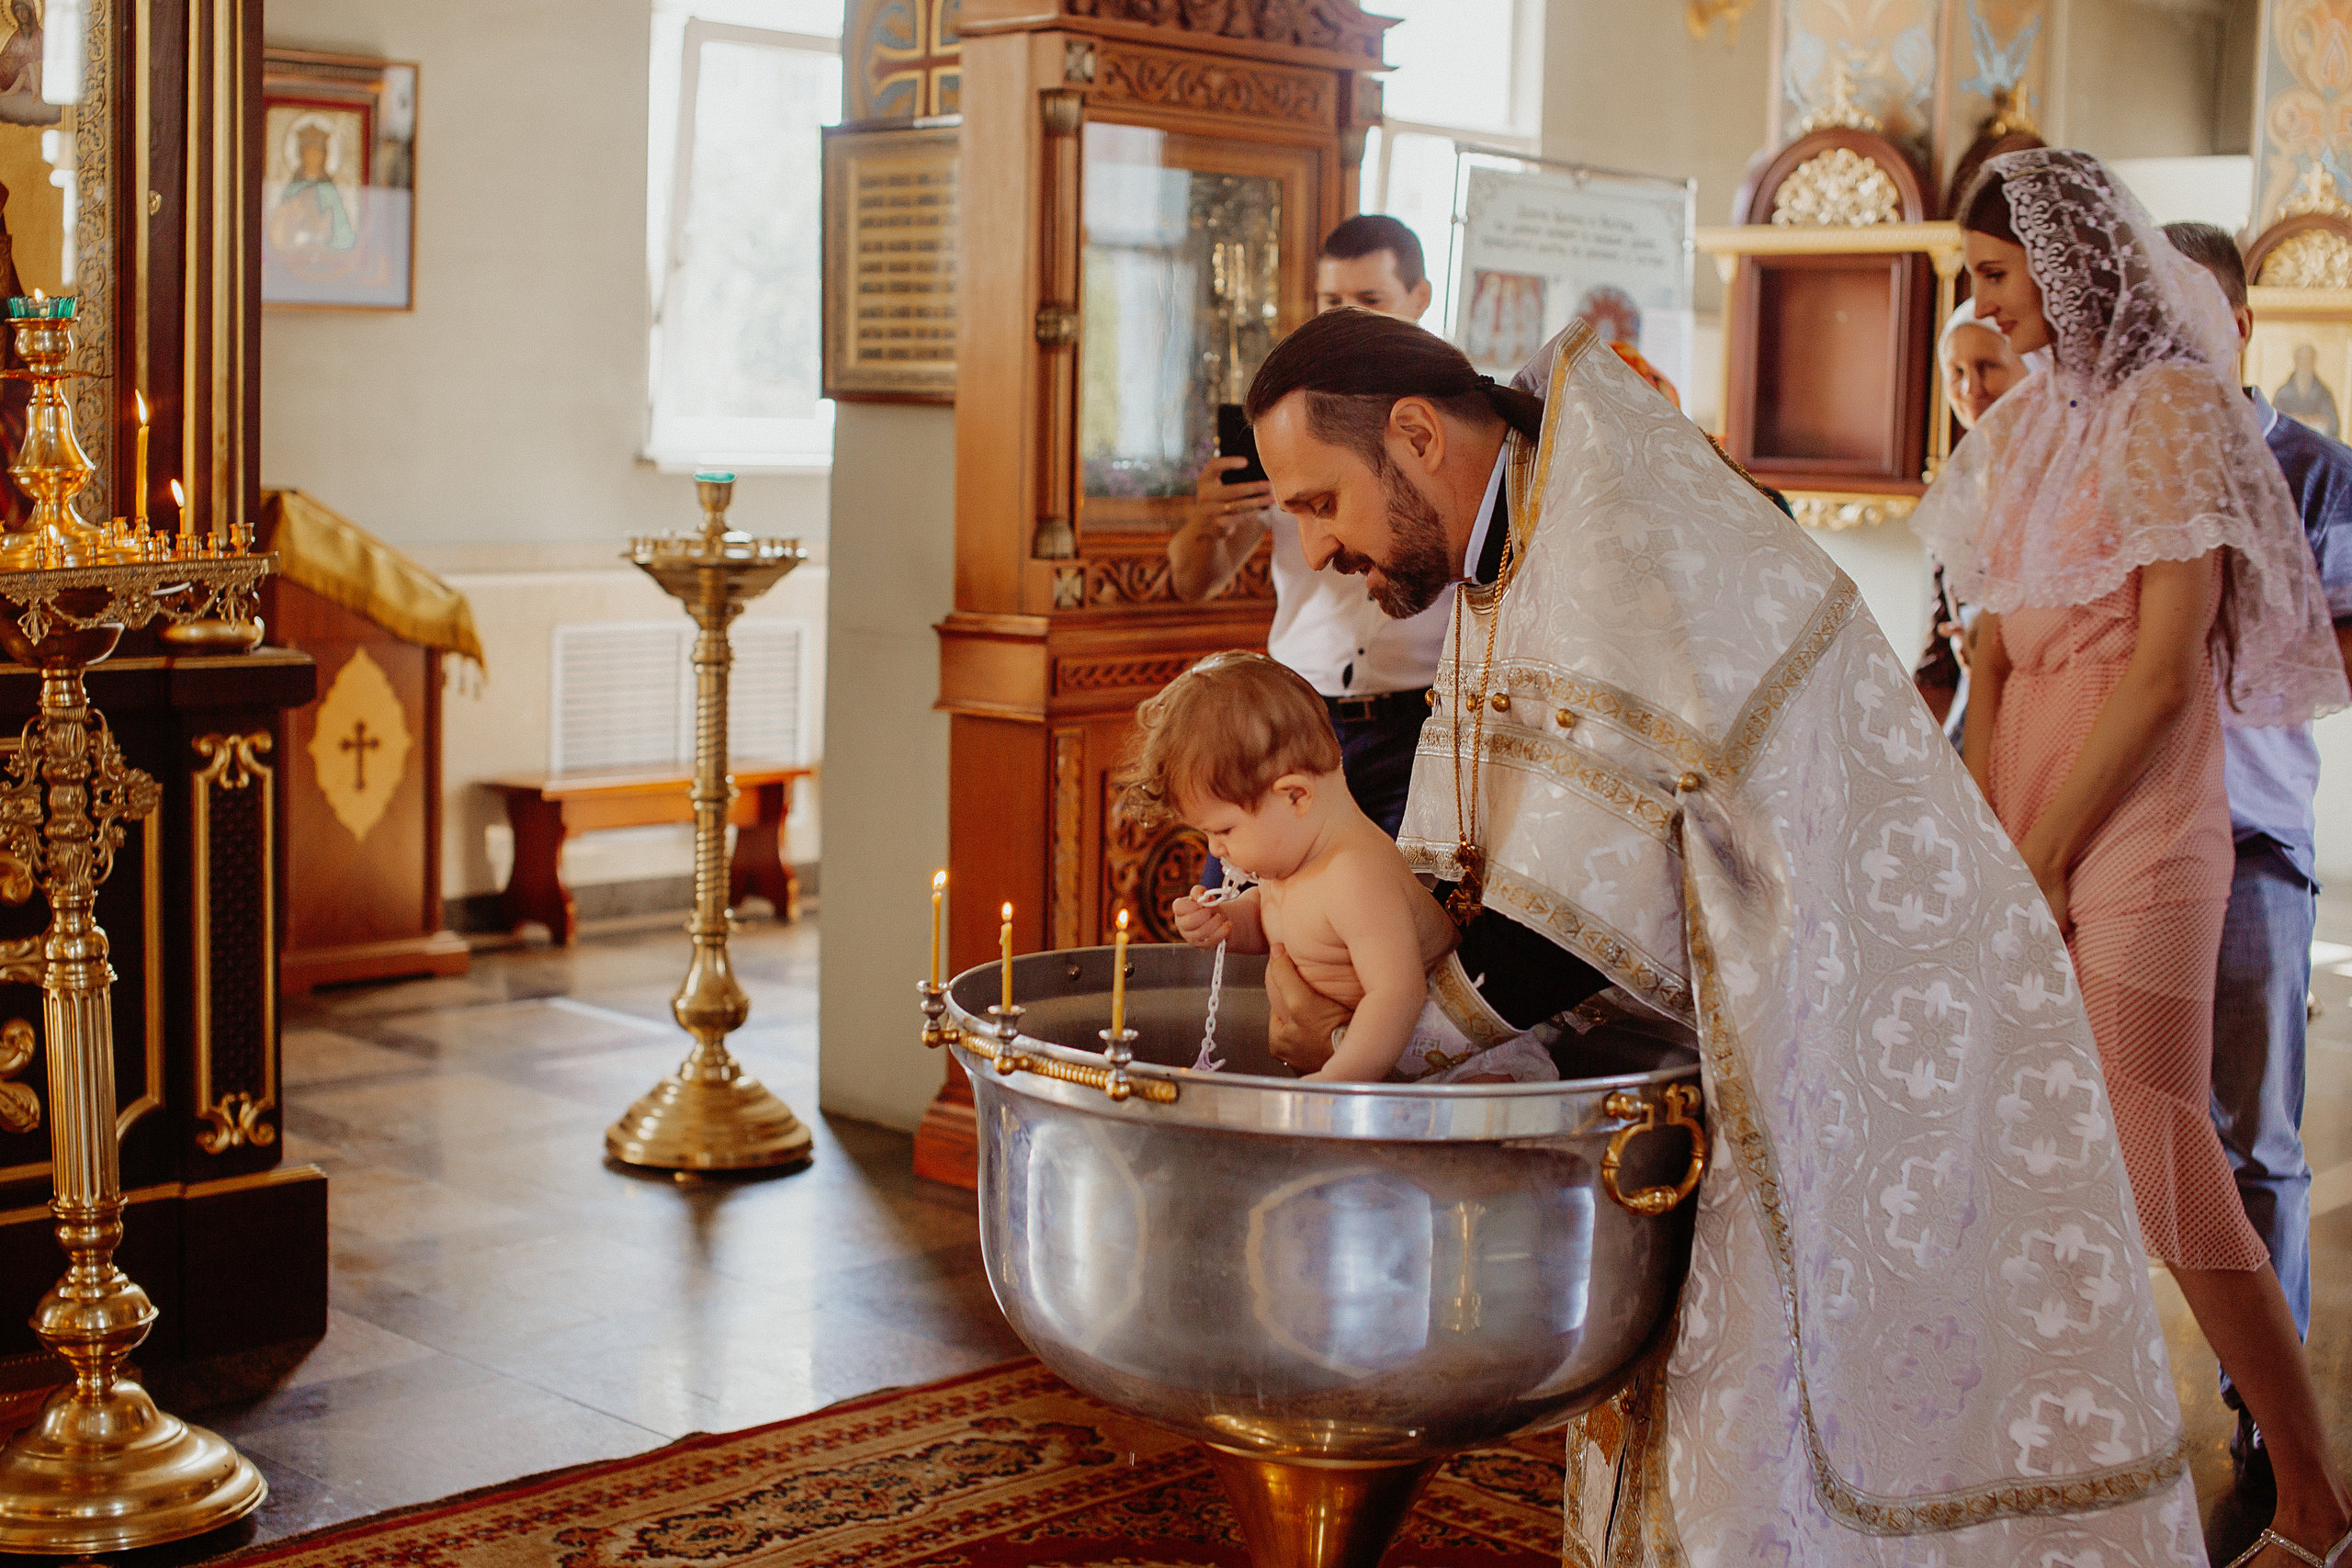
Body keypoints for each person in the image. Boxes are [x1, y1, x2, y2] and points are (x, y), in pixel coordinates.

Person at [1245, 304, 2199, 1564]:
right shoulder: (1527, 513)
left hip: (1850, 1012)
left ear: (1415, 434)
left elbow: (1574, 918)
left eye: (1320, 501)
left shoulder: (1611, 534)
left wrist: (1376, 1056)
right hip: (1766, 996)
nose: (1315, 548)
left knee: (1782, 1430)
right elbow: (1497, 851)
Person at [1912, 151, 2351, 1568]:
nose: (1979, 308)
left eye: (1992, 275)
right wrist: (1990, 843)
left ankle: (2314, 1489)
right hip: (2029, 796)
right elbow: (1985, 651)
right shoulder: (2033, 420)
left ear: (2061, 259)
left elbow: (2166, 672)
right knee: (2031, 1140)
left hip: (2142, 815)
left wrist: (2043, 851)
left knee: (2167, 1152)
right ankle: (2053, 1457)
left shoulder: (2169, 409)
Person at [2160, 218, 2352, 1564]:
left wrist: (2214, 619)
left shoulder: (2312, 466)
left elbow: (2339, 648)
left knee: (2254, 1143)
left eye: (2192, 317)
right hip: (2118, 841)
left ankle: (2261, 1424)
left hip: (2248, 837)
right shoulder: (2112, 459)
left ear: (2236, 322)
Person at [1124, 651, 1552, 1084]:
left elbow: (1397, 995)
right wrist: (1227, 922)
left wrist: (1336, 1087)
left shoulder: (1354, 875)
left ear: (1295, 796)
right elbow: (1278, 925)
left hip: (1459, 1065)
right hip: (1368, 1061)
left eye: (1225, 830)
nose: (1216, 850)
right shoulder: (1290, 862)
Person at [1169, 215, 1446, 859]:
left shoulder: (1446, 422)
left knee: (1399, 912)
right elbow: (1193, 581)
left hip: (1422, 725)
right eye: (1331, 302)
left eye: (1369, 301)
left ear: (1420, 299)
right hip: (1296, 715)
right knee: (1246, 908)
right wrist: (1207, 524)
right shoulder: (1286, 420)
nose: (1345, 318)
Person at [1917, 299, 2030, 727]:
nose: (1971, 389)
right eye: (1957, 373)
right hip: (1973, 704)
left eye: (1988, 366)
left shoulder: (2060, 478)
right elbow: (1939, 647)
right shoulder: (1959, 487)